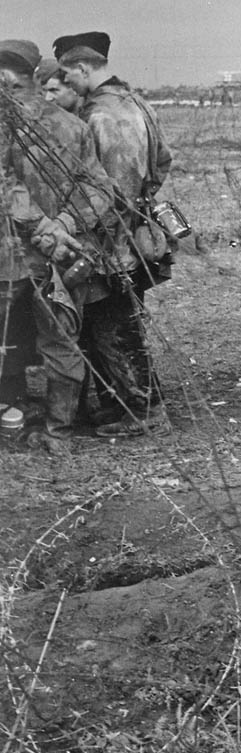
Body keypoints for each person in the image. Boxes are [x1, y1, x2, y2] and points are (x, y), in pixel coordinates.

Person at [55, 30, 174, 437]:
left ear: (83, 69)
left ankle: (143, 410)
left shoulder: (103, 114)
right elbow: (162, 161)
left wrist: (83, 226)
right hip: (128, 230)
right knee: (116, 320)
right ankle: (124, 403)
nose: (66, 84)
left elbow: (111, 189)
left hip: (109, 240)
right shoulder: (135, 102)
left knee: (113, 322)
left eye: (68, 76)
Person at [0, 39, 115, 451]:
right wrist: (54, 230)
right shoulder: (69, 124)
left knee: (59, 342)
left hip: (48, 259)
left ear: (35, 76)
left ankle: (57, 432)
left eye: (12, 71)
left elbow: (99, 188)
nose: (4, 77)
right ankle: (26, 419)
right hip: (44, 254)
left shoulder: (71, 127)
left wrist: (61, 224)